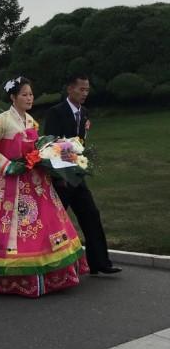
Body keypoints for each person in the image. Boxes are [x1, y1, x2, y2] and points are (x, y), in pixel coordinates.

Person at [0, 77, 89, 297]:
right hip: (4, 182)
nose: (29, 98)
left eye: (31, 94)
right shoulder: (1, 120)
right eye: (24, 94)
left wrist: (55, 153)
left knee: (39, 225)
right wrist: (8, 166)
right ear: (13, 97)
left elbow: (35, 146)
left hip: (31, 180)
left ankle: (41, 272)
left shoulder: (31, 121)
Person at [44, 73, 121, 276]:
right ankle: (43, 263)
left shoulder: (84, 112)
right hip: (60, 179)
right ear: (70, 89)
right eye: (81, 89)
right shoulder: (56, 112)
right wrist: (61, 175)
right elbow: (51, 144)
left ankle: (100, 263)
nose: (85, 93)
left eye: (87, 89)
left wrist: (81, 162)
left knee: (91, 215)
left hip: (77, 177)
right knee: (54, 221)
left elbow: (80, 143)